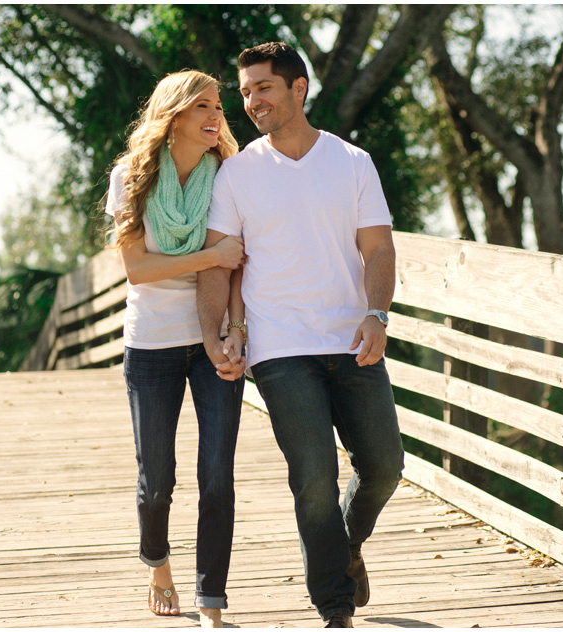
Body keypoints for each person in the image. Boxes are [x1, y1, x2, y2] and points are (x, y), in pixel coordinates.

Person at [197, 42, 404, 628]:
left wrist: (376, 313)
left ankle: (347, 543)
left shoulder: (352, 161)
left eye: (262, 88)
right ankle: (334, 608)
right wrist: (217, 337)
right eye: (245, 92)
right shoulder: (237, 174)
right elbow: (217, 263)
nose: (251, 101)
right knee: (313, 477)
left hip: (351, 338)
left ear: (298, 89)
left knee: (385, 466)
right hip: (280, 348)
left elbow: (379, 246)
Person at [105, 69, 248, 629]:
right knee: (156, 475)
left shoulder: (230, 177)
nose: (216, 117)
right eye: (202, 108)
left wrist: (236, 330)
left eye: (218, 107)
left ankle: (211, 594)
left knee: (217, 472)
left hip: (212, 342)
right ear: (173, 115)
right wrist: (209, 258)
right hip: (151, 344)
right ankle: (158, 562)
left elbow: (242, 264)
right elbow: (137, 269)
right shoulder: (132, 176)